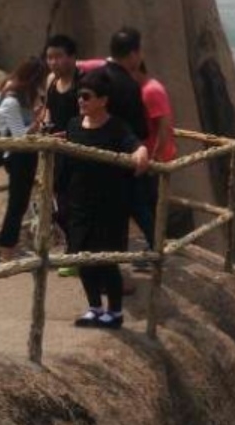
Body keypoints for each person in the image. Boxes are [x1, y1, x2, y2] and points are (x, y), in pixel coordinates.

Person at [64, 67, 149, 328]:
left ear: (103, 100)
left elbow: (134, 144)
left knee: (107, 260)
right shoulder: (74, 125)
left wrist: (141, 151)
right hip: (79, 203)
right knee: (82, 259)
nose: (81, 101)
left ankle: (114, 312)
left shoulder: (116, 127)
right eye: (79, 96)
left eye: (87, 96)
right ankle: (94, 307)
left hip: (110, 204)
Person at [0, 56, 47, 262]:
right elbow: (19, 137)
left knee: (20, 203)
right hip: (17, 157)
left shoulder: (24, 97)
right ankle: (6, 253)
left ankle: (11, 249)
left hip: (25, 157)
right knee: (16, 205)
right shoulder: (10, 101)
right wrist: (36, 123)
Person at [131, 58, 177, 249]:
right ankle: (154, 244)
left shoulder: (151, 90)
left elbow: (164, 127)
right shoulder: (142, 89)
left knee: (141, 203)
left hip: (153, 160)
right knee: (148, 204)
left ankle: (156, 246)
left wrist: (155, 158)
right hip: (147, 157)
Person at [42, 34, 81, 250]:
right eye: (49, 57)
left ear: (72, 57)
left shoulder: (82, 83)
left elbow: (88, 118)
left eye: (58, 57)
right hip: (56, 151)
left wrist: (67, 135)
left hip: (78, 151)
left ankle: (76, 250)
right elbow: (48, 107)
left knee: (74, 204)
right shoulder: (51, 81)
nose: (53, 62)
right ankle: (75, 246)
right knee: (58, 205)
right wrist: (46, 126)